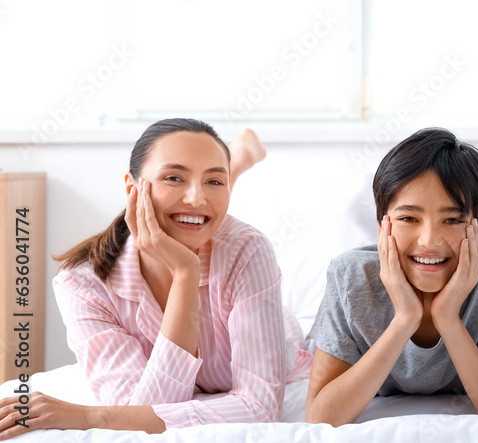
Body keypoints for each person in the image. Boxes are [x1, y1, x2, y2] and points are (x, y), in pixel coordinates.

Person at [0, 119, 312, 437]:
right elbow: (142, 415)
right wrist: (185, 276)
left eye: (216, 181)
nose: (196, 197)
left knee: (199, 212)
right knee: (195, 209)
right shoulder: (82, 285)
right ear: (132, 189)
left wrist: (91, 416)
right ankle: (237, 158)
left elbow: (259, 408)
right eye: (173, 177)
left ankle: (236, 160)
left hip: (278, 326)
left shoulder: (248, 249)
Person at [305, 128, 478, 426]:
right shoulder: (349, 277)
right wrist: (404, 318)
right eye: (408, 218)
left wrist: (448, 317)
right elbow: (321, 417)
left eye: (453, 219)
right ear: (382, 225)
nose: (429, 239)